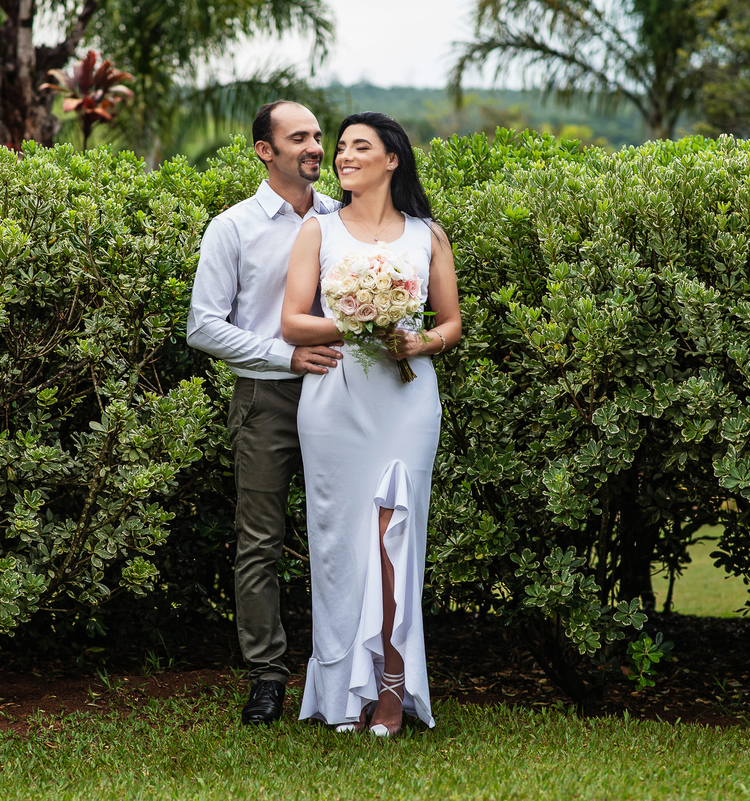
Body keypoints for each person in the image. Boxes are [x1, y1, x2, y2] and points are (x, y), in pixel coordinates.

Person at [280, 112, 461, 736]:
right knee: (339, 547)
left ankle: (391, 689)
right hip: (335, 406)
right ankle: (339, 689)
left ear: (392, 160)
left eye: (360, 147)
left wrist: (418, 343)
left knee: (396, 542)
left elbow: (450, 325)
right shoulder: (318, 231)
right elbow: (294, 324)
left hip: (406, 408)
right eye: (340, 149)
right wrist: (358, 320)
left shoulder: (427, 235)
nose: (343, 157)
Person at [187, 100, 343, 726]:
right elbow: (203, 326)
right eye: (297, 137)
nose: (313, 146)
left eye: (316, 135)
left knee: (346, 534)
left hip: (341, 395)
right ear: (264, 150)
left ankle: (344, 671)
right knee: (261, 540)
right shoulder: (233, 227)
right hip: (265, 399)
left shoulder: (344, 221)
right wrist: (285, 358)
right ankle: (267, 676)